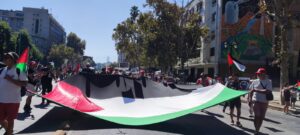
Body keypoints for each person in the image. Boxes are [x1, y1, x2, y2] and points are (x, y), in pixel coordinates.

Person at [0, 52, 28, 135]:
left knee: (10, 119)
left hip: (13, 100)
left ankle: (8, 132)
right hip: (1, 99)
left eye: (7, 57)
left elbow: (24, 83)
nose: (5, 59)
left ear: (13, 60)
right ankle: (10, 132)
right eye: (4, 57)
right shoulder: (2, 70)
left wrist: (10, 79)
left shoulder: (18, 69)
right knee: (1, 120)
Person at [249, 68, 272, 135]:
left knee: (261, 117)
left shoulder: (268, 81)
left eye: (259, 74)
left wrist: (256, 90)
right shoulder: (255, 81)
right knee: (257, 115)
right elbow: (250, 91)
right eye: (257, 74)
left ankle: (258, 129)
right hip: (256, 100)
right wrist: (249, 99)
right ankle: (256, 130)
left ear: (264, 74)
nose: (258, 75)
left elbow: (268, 91)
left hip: (264, 102)